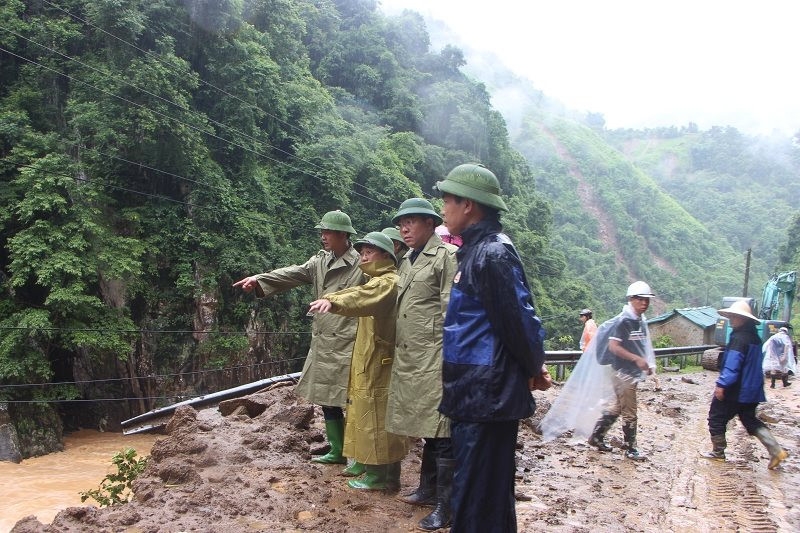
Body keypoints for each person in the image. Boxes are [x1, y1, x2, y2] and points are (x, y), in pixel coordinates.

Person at [436, 163, 551, 533]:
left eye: (447, 200)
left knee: (475, 497)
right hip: (473, 392)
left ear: (468, 205)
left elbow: (519, 321)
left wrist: (534, 367)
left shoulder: (492, 254)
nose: (443, 208)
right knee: (486, 494)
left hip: (486, 395)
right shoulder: (473, 253)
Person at [232, 210, 363, 465]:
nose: (323, 237)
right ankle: (337, 450)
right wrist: (259, 279)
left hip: (350, 339)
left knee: (354, 399)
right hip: (325, 339)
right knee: (327, 398)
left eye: (328, 232)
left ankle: (358, 454)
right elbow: (293, 273)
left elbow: (376, 293)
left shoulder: (361, 263)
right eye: (322, 232)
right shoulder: (321, 261)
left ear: (343, 235)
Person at [307, 232, 408, 490]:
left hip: (379, 360)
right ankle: (371, 467)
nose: (363, 257)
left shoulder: (388, 281)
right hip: (369, 357)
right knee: (365, 413)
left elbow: (360, 297)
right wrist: (334, 298)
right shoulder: (378, 279)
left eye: (369, 252)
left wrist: (333, 301)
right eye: (361, 252)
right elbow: (358, 291)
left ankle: (380, 477)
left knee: (375, 417)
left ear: (386, 254)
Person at [388, 198, 458, 531]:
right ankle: (427, 488)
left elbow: (451, 311)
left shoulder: (445, 257)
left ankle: (447, 504)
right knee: (429, 428)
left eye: (412, 222)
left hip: (435, 357)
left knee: (442, 430)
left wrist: (450, 359)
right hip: (412, 357)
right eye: (402, 223)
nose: (404, 228)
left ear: (430, 224)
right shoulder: (406, 261)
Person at [700, 301, 789, 469]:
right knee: (750, 420)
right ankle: (776, 450)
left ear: (743, 319)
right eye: (731, 316)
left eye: (735, 316)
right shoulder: (755, 337)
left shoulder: (738, 338)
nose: (731, 319)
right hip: (752, 390)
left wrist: (722, 384)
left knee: (716, 417)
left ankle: (718, 452)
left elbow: (733, 364)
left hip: (736, 389)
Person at [587, 281, 656, 461]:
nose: (644, 303)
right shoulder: (623, 321)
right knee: (630, 411)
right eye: (640, 299)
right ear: (631, 299)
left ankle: (596, 436)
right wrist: (637, 359)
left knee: (618, 407)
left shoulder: (639, 321)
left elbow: (641, 345)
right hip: (622, 373)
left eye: (647, 300)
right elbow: (614, 347)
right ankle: (631, 448)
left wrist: (647, 362)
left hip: (630, 372)